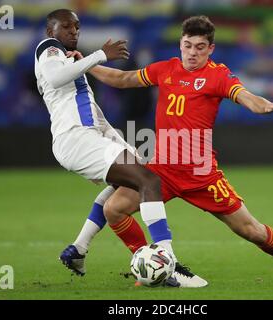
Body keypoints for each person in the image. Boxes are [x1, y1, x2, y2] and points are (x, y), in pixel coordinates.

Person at [64, 15, 273, 284]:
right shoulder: (165, 69)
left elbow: (246, 96)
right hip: (163, 169)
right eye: (188, 45)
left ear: (211, 49)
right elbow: (123, 78)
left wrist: (264, 106)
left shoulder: (217, 75)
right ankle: (157, 264)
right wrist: (87, 65)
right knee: (114, 209)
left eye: (200, 47)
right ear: (181, 44)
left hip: (200, 173)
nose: (193, 52)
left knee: (251, 230)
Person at [35, 9, 206, 287]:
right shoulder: (49, 48)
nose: (73, 32)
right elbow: (55, 78)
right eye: (66, 27)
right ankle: (169, 263)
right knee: (148, 180)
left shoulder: (72, 64)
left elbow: (95, 116)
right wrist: (100, 55)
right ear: (49, 31)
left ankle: (78, 248)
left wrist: (126, 147)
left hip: (87, 136)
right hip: (76, 139)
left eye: (77, 27)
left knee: (126, 185)